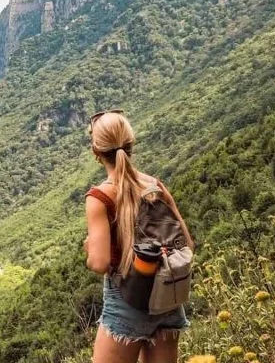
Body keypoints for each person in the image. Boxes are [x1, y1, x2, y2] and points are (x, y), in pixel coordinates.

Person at [82, 110, 194, 363]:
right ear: (131, 145)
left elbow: (99, 264)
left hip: (126, 303)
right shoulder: (156, 186)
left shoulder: (99, 197)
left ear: (96, 153)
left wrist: (89, 248)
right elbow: (187, 243)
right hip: (167, 297)